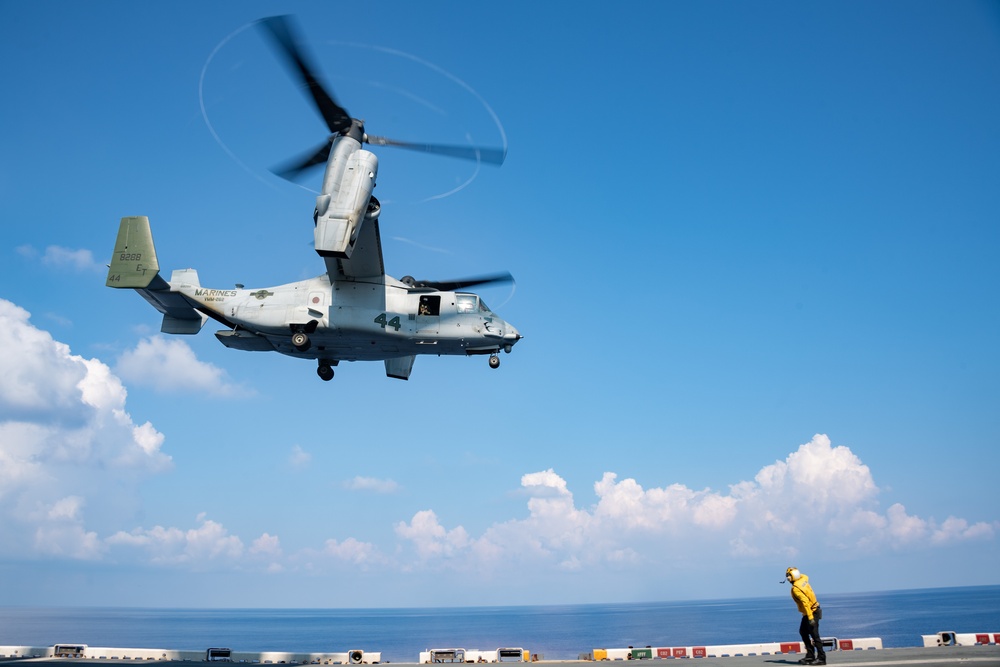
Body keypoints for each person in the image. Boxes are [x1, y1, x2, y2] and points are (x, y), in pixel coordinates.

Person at [786, 567, 826, 665]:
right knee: (803, 632)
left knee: (815, 635)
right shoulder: (803, 580)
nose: (787, 578)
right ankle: (810, 655)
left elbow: (805, 603)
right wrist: (795, 572)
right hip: (812, 610)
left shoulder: (796, 589)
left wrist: (811, 618)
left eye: (788, 576)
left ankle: (821, 658)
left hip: (811, 612)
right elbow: (805, 575)